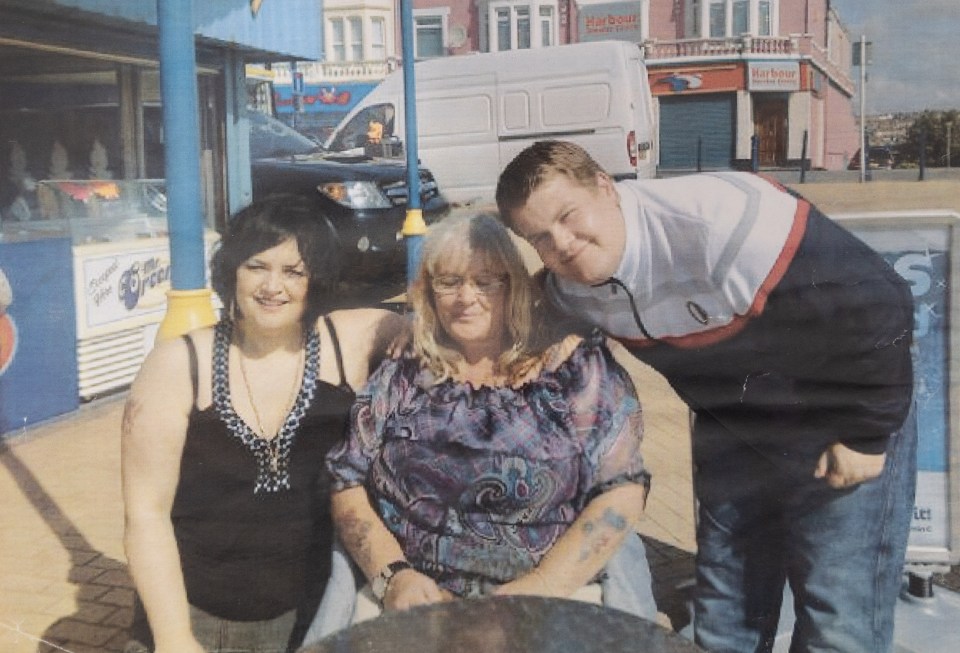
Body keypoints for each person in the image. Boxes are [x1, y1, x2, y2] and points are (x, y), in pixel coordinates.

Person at [495, 141, 916, 653]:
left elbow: (880, 303)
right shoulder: (571, 286)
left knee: (838, 618)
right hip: (735, 431)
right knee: (723, 615)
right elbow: (517, 333)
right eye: (540, 237)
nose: (562, 243)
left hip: (839, 420)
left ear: (606, 186)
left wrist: (868, 435)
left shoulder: (725, 220)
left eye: (567, 215)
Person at [326, 213, 652, 621]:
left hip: (555, 597)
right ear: (429, 291)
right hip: (415, 600)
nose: (465, 298)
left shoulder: (572, 368)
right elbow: (346, 479)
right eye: (448, 282)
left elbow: (622, 488)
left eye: (485, 281)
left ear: (513, 286)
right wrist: (393, 577)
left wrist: (544, 587)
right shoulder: (405, 371)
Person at [122, 194, 405, 653]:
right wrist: (174, 637)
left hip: (311, 619)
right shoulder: (178, 364)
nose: (274, 286)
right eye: (257, 266)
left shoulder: (349, 341)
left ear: (316, 280)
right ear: (232, 271)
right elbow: (145, 515)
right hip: (193, 616)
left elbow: (443, 327)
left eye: (294, 271)